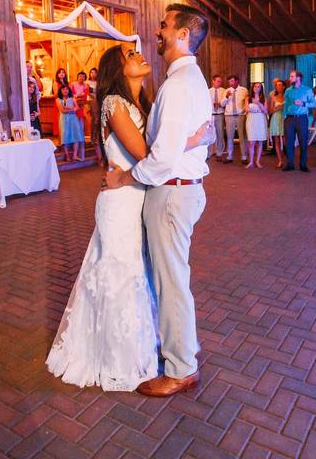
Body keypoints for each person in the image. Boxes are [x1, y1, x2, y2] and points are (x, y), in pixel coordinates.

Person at [46, 43, 211, 392]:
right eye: (130, 56)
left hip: (140, 194)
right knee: (120, 274)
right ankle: (116, 357)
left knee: (141, 274)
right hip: (120, 200)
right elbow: (147, 152)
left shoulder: (144, 105)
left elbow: (155, 149)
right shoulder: (114, 104)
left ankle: (143, 347)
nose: (140, 56)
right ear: (119, 69)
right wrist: (194, 138)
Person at [102, 4, 213, 397]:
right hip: (183, 187)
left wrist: (125, 177)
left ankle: (181, 368)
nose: (158, 31)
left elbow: (160, 156)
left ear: (182, 35)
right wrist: (193, 142)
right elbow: (207, 133)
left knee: (170, 283)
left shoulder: (179, 84)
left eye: (165, 26)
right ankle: (184, 348)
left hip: (171, 192)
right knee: (172, 278)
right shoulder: (191, 80)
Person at [283, 70, 314, 172]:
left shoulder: (307, 90)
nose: (289, 78)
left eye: (292, 76)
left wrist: (304, 103)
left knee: (303, 141)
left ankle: (303, 164)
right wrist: (284, 116)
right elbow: (285, 104)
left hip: (302, 118)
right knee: (289, 142)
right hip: (289, 119)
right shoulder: (288, 90)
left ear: (298, 78)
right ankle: (290, 164)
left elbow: (313, 104)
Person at [221, 75, 248, 163]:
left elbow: (247, 102)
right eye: (229, 82)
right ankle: (229, 156)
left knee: (242, 136)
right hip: (229, 116)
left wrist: (243, 111)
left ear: (237, 81)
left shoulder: (244, 90)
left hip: (241, 115)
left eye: (232, 81)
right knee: (229, 136)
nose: (230, 83)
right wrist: (226, 97)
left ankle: (244, 157)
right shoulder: (226, 91)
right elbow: (222, 104)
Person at [56, 83, 84, 162]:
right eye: (63, 89)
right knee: (65, 137)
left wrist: (68, 108)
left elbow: (77, 108)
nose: (65, 91)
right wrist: (72, 109)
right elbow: (62, 110)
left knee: (76, 136)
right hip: (64, 119)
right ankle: (67, 156)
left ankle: (75, 155)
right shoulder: (58, 100)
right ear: (60, 91)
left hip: (73, 119)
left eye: (67, 89)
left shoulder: (72, 98)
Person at [244, 82, 268, 169]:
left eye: (259, 87)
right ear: (253, 87)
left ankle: (257, 161)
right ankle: (251, 161)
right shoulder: (248, 98)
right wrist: (253, 110)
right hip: (251, 120)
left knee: (260, 141)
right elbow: (246, 109)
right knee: (251, 141)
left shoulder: (263, 98)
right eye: (255, 86)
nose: (257, 88)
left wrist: (258, 103)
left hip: (260, 120)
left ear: (261, 89)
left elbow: (265, 111)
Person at [72, 71, 90, 160]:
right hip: (72, 109)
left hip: (81, 109)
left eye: (83, 77)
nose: (81, 78)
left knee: (80, 130)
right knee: (74, 130)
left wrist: (79, 97)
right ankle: (73, 153)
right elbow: (71, 96)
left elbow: (85, 97)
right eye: (80, 76)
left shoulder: (85, 86)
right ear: (77, 77)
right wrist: (78, 96)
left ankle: (80, 153)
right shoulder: (73, 85)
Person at [268, 79, 286, 169]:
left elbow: (288, 107)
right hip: (275, 119)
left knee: (285, 140)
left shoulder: (287, 96)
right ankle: (280, 161)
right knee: (277, 141)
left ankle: (288, 159)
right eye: (277, 85)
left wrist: (282, 107)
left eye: (280, 85)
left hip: (284, 119)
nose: (278, 87)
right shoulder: (273, 97)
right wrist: (278, 108)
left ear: (283, 87)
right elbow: (270, 111)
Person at [208, 75, 227, 161]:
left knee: (220, 134)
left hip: (220, 114)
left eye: (220, 81)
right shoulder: (208, 91)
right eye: (218, 81)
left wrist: (219, 104)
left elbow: (224, 102)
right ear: (213, 81)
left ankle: (219, 153)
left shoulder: (223, 91)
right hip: (211, 115)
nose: (220, 82)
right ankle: (209, 153)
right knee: (210, 134)